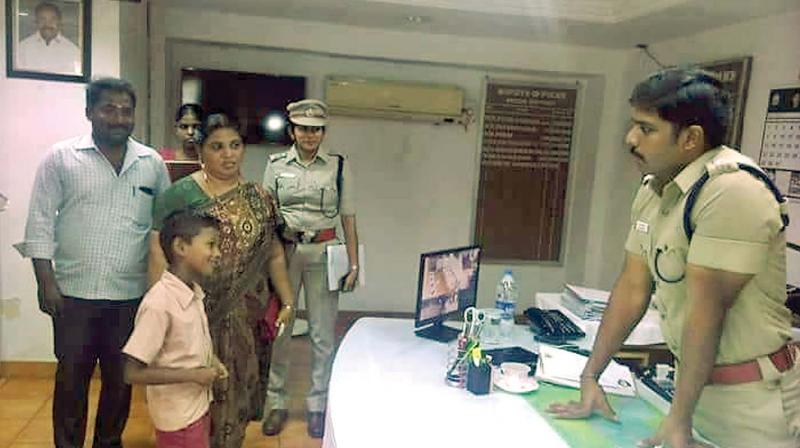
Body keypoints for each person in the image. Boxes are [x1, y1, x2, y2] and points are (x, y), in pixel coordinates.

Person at [547, 68, 799, 448]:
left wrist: (679, 419)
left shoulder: (732, 191)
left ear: (691, 139)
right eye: (633, 125)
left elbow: (707, 311)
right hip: (696, 392)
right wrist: (590, 377)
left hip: (752, 404)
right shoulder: (656, 189)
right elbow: (633, 288)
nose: (630, 139)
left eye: (646, 129)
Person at [14, 77, 171, 447]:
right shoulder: (61, 158)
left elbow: (163, 227)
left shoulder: (151, 164)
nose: (118, 118)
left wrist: (158, 290)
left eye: (126, 110)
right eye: (108, 109)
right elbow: (39, 221)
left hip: (130, 295)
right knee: (71, 381)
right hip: (73, 295)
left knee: (120, 381)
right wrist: (45, 282)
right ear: (89, 113)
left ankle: (108, 443)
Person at [148, 112, 294, 448]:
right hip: (195, 315)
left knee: (237, 396)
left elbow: (273, 254)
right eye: (217, 147)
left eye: (235, 145)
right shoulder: (180, 195)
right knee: (196, 397)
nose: (228, 154)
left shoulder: (260, 196)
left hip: (247, 320)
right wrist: (161, 311)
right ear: (201, 152)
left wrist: (287, 301)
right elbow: (157, 251)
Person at [261, 99, 360, 439]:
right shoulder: (275, 165)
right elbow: (266, 216)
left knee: (322, 333)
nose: (309, 135)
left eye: (316, 129)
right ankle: (276, 402)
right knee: (281, 330)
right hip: (284, 251)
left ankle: (318, 405)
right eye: (303, 128)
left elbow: (348, 217)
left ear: (323, 132)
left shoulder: (338, 166)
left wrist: (355, 262)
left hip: (324, 252)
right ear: (292, 130)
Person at [123, 210, 228, 448]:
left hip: (196, 409)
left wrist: (211, 360)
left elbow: (185, 347)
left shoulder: (193, 292)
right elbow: (132, 372)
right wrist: (194, 375)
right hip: (179, 419)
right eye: (211, 245)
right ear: (181, 247)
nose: (217, 253)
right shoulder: (159, 304)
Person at [17, 2, 80, 74]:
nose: (47, 24)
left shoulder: (73, 50)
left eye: (52, 19)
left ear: (59, 22)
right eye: (42, 19)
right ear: (36, 21)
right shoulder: (23, 47)